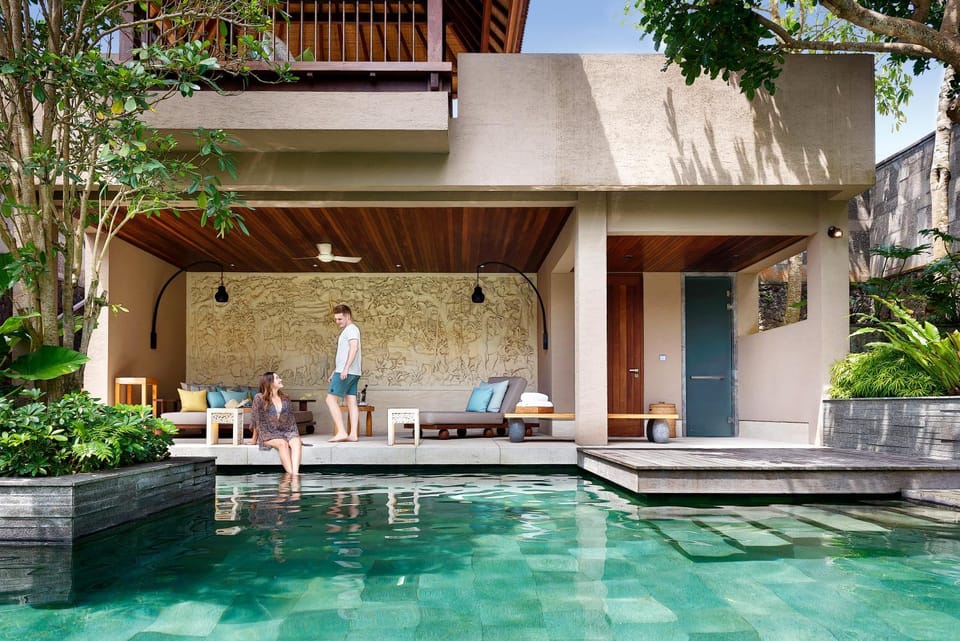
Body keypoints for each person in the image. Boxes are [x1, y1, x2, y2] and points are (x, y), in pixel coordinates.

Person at [250, 372, 303, 474]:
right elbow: (256, 419)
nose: (280, 380)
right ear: (270, 382)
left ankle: (295, 474)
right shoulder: (259, 398)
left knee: (297, 442)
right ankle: (291, 475)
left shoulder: (285, 398)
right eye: (277, 378)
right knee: (283, 443)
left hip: (287, 431)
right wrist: (254, 439)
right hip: (269, 433)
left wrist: (294, 435)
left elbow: (291, 419)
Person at [326, 304, 362, 442]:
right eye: (336, 319)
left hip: (346, 372)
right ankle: (353, 434)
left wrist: (345, 368)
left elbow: (354, 348)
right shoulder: (350, 330)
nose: (337, 322)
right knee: (351, 401)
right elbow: (344, 354)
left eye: (340, 319)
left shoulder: (351, 329)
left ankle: (341, 431)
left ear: (348, 316)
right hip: (352, 372)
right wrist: (335, 371)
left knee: (330, 399)